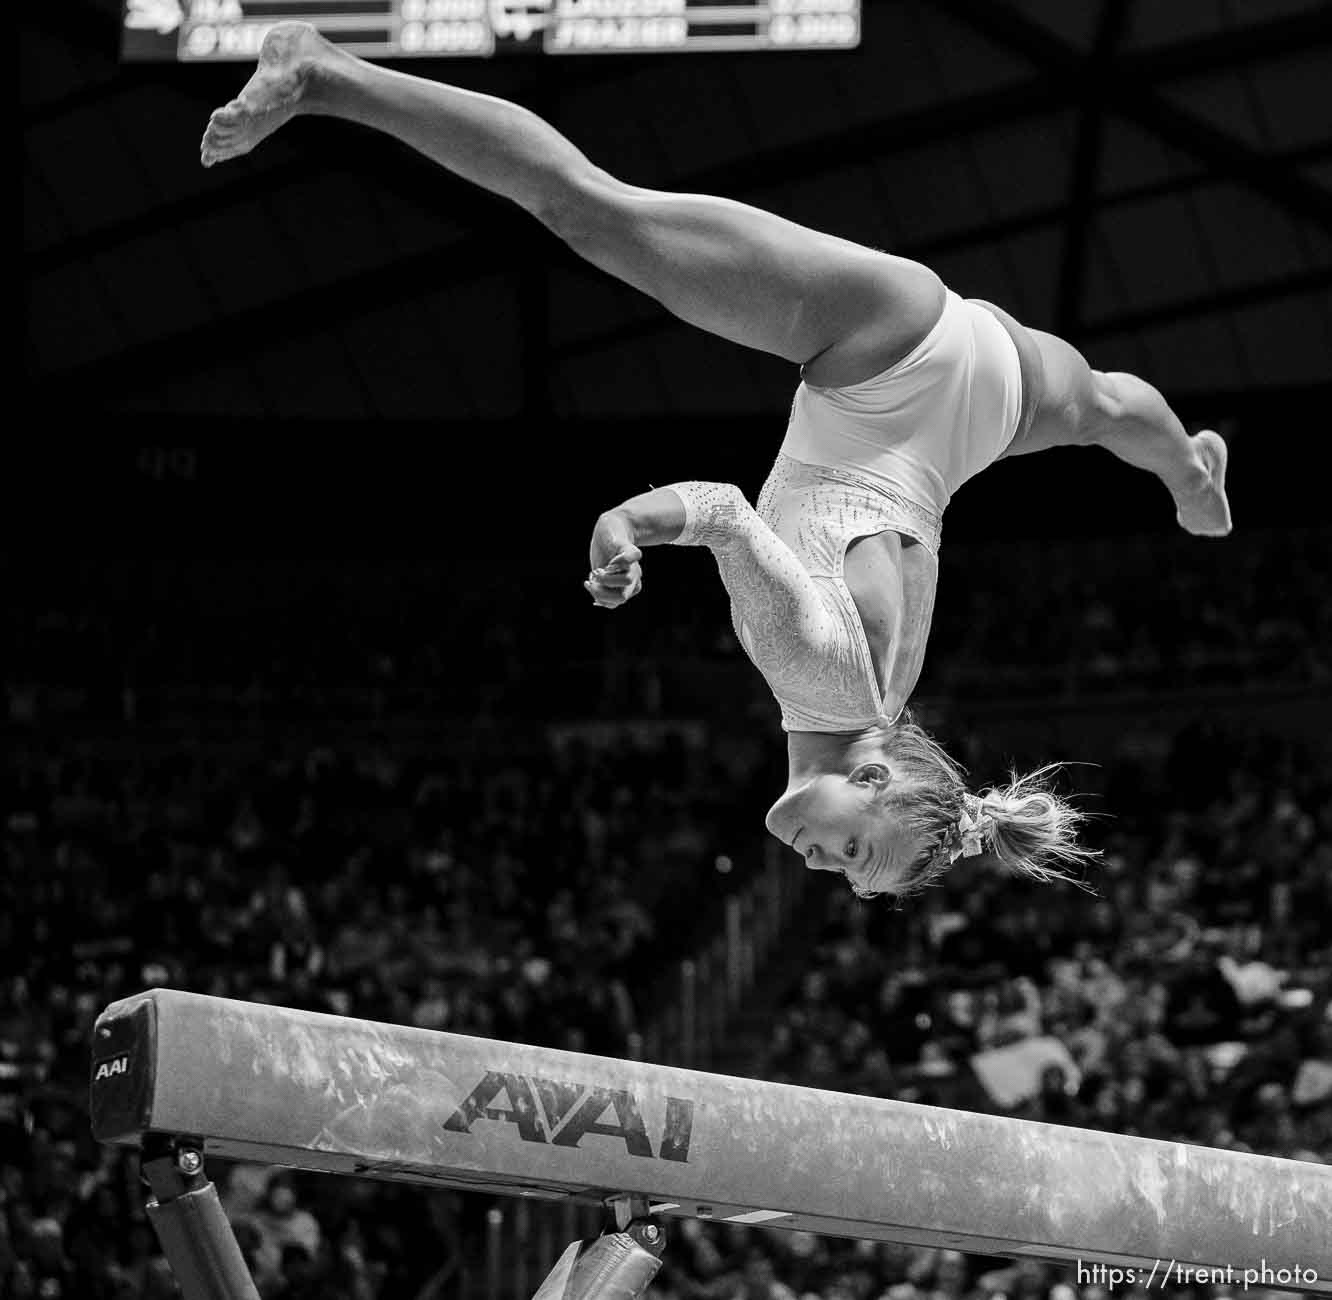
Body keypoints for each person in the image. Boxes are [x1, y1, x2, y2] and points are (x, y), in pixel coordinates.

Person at [201, 25, 1231, 902]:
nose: (821, 862)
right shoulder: (818, 678)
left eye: (840, 875)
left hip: (975, 411)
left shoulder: (883, 703)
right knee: (588, 210)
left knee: (1098, 405)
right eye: (854, 850)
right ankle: (326, 71)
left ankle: (1186, 471)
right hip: (882, 355)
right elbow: (729, 511)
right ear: (874, 779)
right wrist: (628, 523)